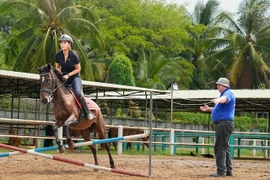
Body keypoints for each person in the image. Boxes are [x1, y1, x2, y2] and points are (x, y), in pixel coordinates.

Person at [200, 77, 235, 177]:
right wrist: (209, 109)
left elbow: (225, 99)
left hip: (224, 124)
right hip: (224, 124)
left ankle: (221, 171)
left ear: (225, 86)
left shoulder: (227, 93)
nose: (217, 86)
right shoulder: (224, 95)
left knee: (219, 147)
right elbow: (219, 109)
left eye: (219, 85)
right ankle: (228, 170)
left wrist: (218, 99)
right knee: (224, 147)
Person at [55, 34, 94, 121]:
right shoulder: (58, 55)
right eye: (61, 42)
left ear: (70, 44)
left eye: (65, 43)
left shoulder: (74, 56)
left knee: (78, 93)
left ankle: (88, 112)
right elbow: (57, 67)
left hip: (74, 78)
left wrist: (68, 75)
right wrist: (61, 74)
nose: (62, 44)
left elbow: (78, 69)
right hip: (64, 77)